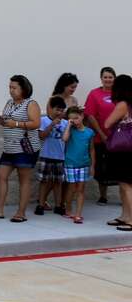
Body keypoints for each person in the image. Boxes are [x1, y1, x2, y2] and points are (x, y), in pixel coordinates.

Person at [0, 75, 40, 222]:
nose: (11, 90)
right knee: (1, 175)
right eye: (10, 87)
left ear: (23, 88)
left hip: (25, 148)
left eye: (14, 88)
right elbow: (9, 119)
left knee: (23, 179)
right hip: (9, 147)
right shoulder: (9, 102)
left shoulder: (31, 104)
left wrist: (16, 124)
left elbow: (36, 123)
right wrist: (4, 122)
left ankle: (21, 213)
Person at [101, 75, 132, 232]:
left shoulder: (122, 104)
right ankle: (124, 216)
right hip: (129, 149)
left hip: (123, 150)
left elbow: (107, 123)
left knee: (126, 185)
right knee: (123, 184)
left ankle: (130, 219)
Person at [84, 67, 118, 205]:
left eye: (110, 77)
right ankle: (103, 196)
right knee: (101, 168)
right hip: (100, 138)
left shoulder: (121, 94)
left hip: (120, 139)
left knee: (120, 167)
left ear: (114, 78)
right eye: (105, 77)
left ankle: (125, 196)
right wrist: (102, 134)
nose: (108, 79)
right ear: (101, 78)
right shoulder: (94, 94)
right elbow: (90, 116)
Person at [35, 95, 69, 216]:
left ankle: (58, 205)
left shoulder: (65, 123)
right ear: (51, 108)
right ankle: (40, 204)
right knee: (44, 182)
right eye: (57, 109)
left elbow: (66, 138)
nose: (59, 112)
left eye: (61, 110)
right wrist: (52, 124)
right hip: (46, 155)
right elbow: (41, 136)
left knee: (58, 182)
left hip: (60, 157)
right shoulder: (44, 120)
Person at [62, 106, 96, 224]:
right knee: (71, 188)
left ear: (82, 116)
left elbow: (92, 149)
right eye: (71, 119)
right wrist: (68, 125)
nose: (75, 121)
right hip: (70, 164)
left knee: (80, 189)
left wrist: (92, 165)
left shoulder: (89, 132)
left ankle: (78, 214)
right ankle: (68, 208)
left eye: (76, 118)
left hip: (84, 164)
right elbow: (64, 139)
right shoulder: (70, 131)